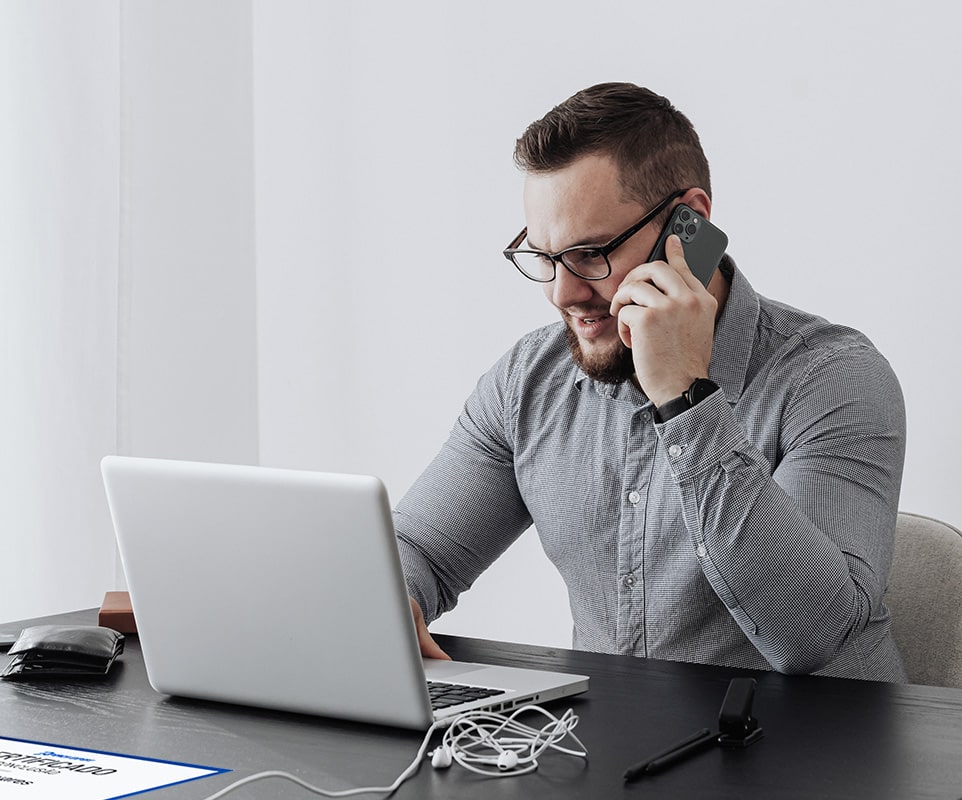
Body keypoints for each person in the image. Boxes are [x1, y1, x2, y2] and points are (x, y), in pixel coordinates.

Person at [394, 82, 907, 681]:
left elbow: (812, 633)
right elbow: (419, 549)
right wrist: (392, 602)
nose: (563, 294)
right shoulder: (527, 382)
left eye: (590, 255)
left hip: (821, 760)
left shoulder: (834, 377)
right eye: (543, 257)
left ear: (687, 223)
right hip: (615, 758)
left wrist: (686, 401)